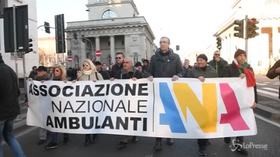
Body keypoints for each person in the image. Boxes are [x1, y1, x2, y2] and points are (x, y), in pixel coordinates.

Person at [149, 36, 182, 151]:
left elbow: (181, 71)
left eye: (165, 42)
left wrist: (178, 76)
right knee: (158, 116)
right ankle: (158, 140)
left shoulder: (176, 57)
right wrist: (149, 76)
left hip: (171, 91)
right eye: (161, 42)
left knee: (169, 114)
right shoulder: (154, 58)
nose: (162, 44)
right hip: (157, 91)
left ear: (169, 44)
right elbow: (149, 72)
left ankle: (169, 135)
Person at [221, 49, 257, 156]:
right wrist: (237, 78)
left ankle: (239, 145)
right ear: (236, 57)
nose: (242, 57)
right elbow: (223, 81)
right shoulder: (228, 67)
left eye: (244, 55)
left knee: (241, 121)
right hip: (230, 99)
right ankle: (227, 134)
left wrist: (254, 100)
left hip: (243, 99)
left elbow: (253, 84)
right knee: (229, 119)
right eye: (240, 55)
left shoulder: (249, 68)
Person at [182, 54, 217, 156]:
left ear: (206, 61)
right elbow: (186, 80)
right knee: (200, 122)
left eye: (202, 60)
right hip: (196, 100)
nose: (200, 62)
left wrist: (204, 78)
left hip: (209, 100)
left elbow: (216, 80)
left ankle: (205, 139)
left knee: (208, 121)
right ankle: (202, 147)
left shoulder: (212, 71)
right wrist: (197, 78)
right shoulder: (192, 71)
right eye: (198, 61)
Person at [0, 54, 26, 157]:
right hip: (11, 112)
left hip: (1, 113)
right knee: (10, 137)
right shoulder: (10, 70)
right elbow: (17, 92)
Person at [114, 58, 143, 149]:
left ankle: (134, 135)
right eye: (124, 63)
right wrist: (112, 80)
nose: (124, 64)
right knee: (124, 119)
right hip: (123, 100)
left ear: (131, 64)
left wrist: (138, 80)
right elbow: (115, 82)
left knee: (133, 118)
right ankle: (125, 138)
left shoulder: (137, 73)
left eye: (127, 62)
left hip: (134, 100)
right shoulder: (120, 73)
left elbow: (145, 81)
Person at [77, 59, 103, 146]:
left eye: (86, 65)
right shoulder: (80, 76)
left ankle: (95, 135)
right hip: (84, 102)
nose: (84, 67)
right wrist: (74, 81)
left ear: (91, 66)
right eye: (83, 65)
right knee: (86, 120)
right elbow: (76, 87)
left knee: (94, 120)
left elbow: (104, 85)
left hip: (95, 101)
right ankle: (87, 137)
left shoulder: (97, 74)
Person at [45, 65, 70, 150]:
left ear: (61, 72)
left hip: (62, 107)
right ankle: (54, 141)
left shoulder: (65, 82)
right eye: (54, 71)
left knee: (63, 123)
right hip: (53, 106)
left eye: (57, 71)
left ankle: (66, 134)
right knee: (54, 123)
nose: (55, 72)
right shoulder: (50, 81)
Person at [34, 66, 50, 145]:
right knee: (42, 120)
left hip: (48, 102)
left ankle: (48, 134)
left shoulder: (49, 79)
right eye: (37, 71)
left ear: (44, 72)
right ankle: (42, 137)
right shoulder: (35, 79)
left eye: (40, 71)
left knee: (47, 120)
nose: (38, 72)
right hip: (39, 102)